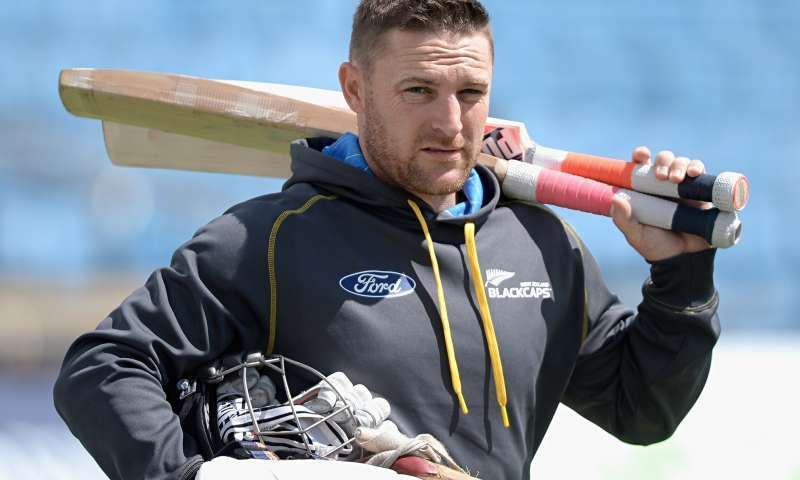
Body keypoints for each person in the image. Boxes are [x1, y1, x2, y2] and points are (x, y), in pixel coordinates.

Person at [53, 1, 721, 479]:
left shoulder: (543, 244)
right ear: (355, 89)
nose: (450, 122)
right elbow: (103, 368)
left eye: (471, 92)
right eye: (419, 90)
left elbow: (641, 410)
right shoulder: (269, 239)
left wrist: (682, 277)